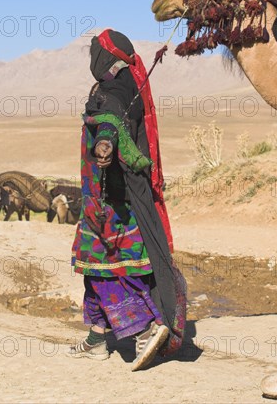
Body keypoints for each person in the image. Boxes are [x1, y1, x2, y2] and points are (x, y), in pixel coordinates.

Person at [68, 29, 186, 371]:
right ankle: (96, 337)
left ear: (104, 57)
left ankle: (146, 328)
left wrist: (104, 143)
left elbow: (111, 119)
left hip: (111, 200)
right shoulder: (126, 83)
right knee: (96, 268)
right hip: (104, 196)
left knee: (111, 269)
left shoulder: (115, 88)